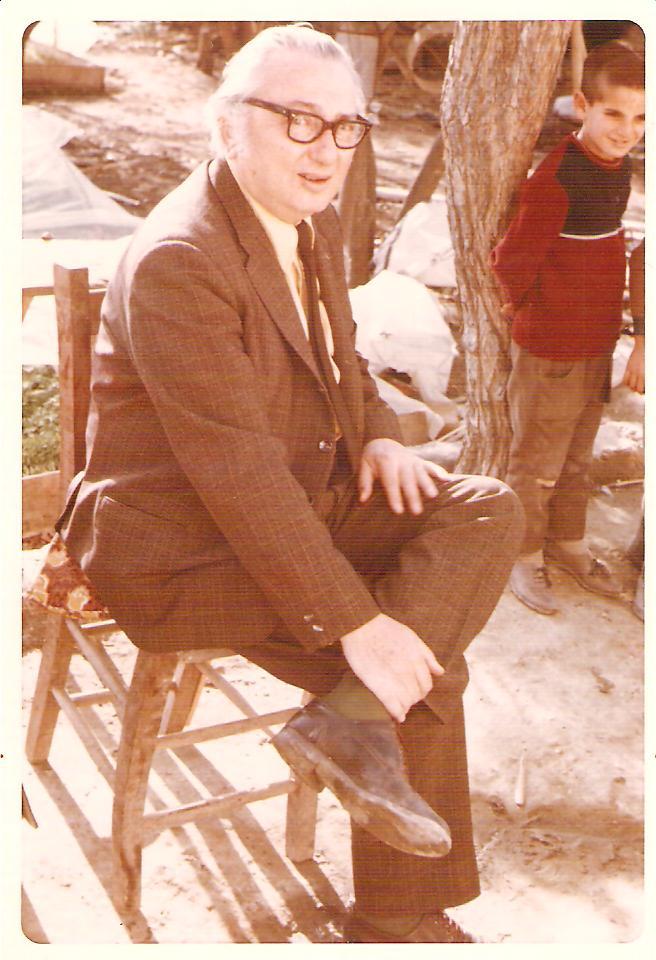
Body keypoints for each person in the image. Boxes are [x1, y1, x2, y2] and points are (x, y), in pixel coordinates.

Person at [55, 24, 523, 942]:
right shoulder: (181, 261)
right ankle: (397, 920)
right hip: (180, 550)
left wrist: (379, 434)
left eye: (346, 127)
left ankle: (348, 724)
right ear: (228, 123)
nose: (327, 150)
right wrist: (360, 624)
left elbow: (341, 357)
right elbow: (237, 476)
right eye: (299, 120)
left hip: (291, 499)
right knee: (421, 662)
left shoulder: (308, 217)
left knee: (485, 509)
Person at [491, 40, 645, 616]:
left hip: (595, 345)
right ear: (582, 105)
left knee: (577, 457)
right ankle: (523, 554)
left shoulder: (619, 169)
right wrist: (532, 317)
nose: (627, 130)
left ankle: (568, 543)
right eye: (614, 113)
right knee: (536, 464)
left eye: (641, 118)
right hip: (551, 350)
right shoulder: (556, 178)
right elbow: (510, 262)